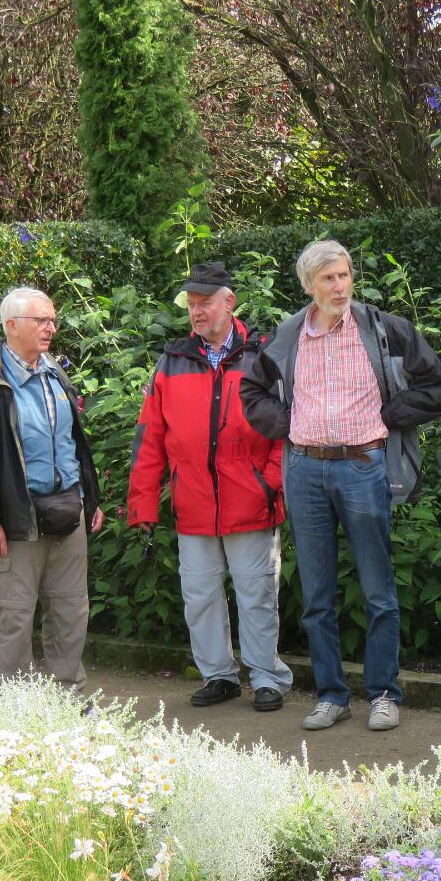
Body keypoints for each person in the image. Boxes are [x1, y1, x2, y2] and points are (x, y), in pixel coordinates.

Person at [242, 240, 441, 732]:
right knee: (317, 595)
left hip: (363, 466)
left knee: (378, 590)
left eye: (344, 275)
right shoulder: (289, 335)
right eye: (328, 279)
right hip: (304, 470)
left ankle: (383, 694)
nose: (339, 287)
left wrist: (390, 415)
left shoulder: (383, 329)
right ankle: (332, 696)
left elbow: (439, 387)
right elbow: (251, 390)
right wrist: (287, 425)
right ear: (308, 286)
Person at [127, 261, 294, 711]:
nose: (197, 312)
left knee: (257, 595)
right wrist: (142, 504)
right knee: (199, 596)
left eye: (205, 303)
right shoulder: (172, 360)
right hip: (193, 502)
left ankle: (267, 678)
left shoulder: (263, 355)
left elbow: (287, 426)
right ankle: (218, 676)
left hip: (251, 500)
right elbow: (150, 438)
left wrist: (270, 483)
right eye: (191, 304)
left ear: (229, 302)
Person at [0, 286, 104, 689]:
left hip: (69, 510)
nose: (51, 328)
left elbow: (74, 444)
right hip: (16, 518)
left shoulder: (55, 372)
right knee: (16, 615)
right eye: (41, 320)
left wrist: (91, 499)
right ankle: (17, 706)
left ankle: (67, 696)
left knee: (71, 610)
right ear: (11, 325)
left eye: (52, 320)